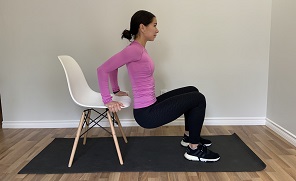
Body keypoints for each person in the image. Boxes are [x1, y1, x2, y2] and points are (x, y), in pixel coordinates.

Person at [97, 10, 220, 162]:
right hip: (147, 114)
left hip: (151, 105)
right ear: (142, 27)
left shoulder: (138, 48)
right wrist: (107, 99)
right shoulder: (134, 50)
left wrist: (116, 89)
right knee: (199, 99)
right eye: (154, 25)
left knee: (192, 91)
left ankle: (189, 138)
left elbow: (113, 67)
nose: (157, 30)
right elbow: (103, 69)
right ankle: (194, 149)